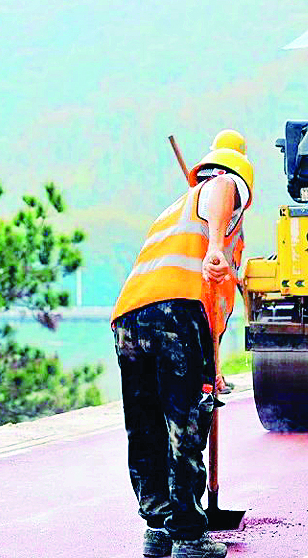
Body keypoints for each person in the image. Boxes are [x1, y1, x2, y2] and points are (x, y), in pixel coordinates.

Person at [110, 130, 254, 558]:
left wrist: (212, 367)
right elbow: (224, 186)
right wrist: (217, 246)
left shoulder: (174, 212)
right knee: (184, 425)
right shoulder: (222, 189)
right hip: (175, 316)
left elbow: (214, 307)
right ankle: (189, 535)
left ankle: (157, 529)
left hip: (130, 320)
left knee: (145, 427)